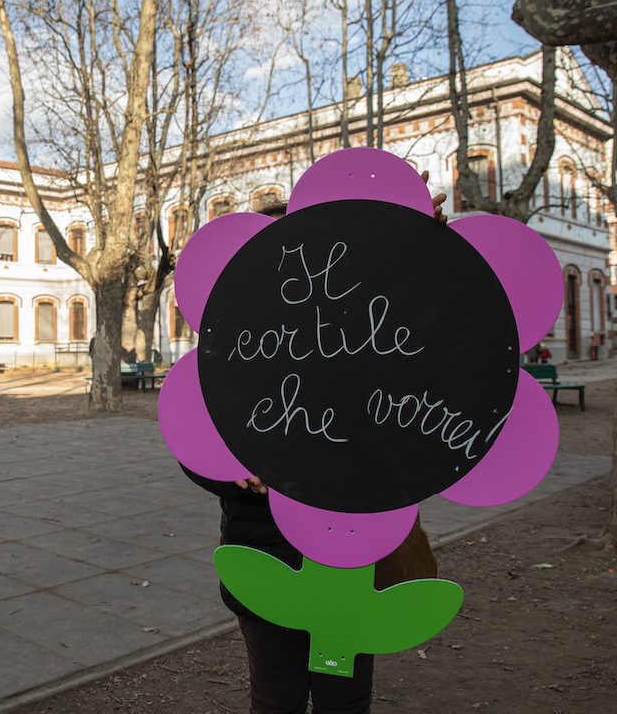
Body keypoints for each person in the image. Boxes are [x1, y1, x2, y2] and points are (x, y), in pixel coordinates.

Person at [183, 185, 448, 714]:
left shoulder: (372, 344)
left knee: (343, 695)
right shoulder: (235, 355)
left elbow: (429, 359)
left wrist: (422, 241)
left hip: (355, 557)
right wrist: (232, 474)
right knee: (277, 697)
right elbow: (193, 443)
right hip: (267, 558)